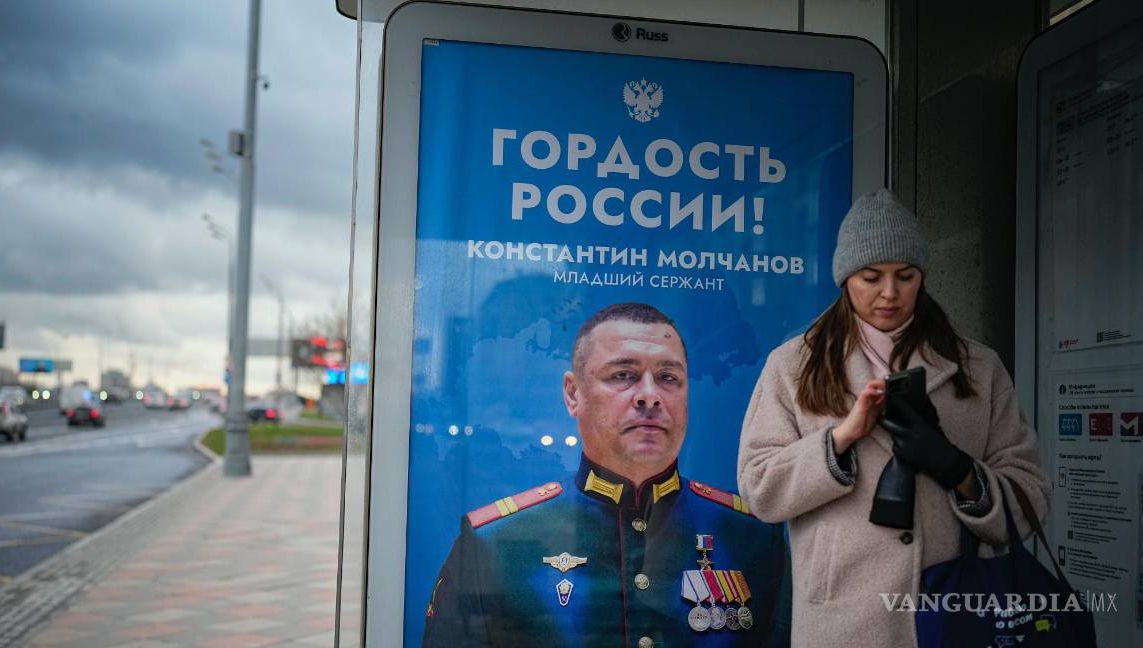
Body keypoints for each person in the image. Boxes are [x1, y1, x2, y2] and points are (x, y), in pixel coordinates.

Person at [736, 189, 1051, 647]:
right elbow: (759, 488)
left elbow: (1032, 499)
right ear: (845, 280)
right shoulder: (792, 365)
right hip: (842, 622)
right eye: (871, 276)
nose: (889, 293)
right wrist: (840, 438)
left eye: (905, 276)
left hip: (954, 617)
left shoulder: (979, 368)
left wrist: (958, 471)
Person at [424, 302, 792, 648]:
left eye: (668, 377)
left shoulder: (750, 536)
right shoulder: (493, 543)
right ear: (573, 394)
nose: (650, 396)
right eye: (623, 375)